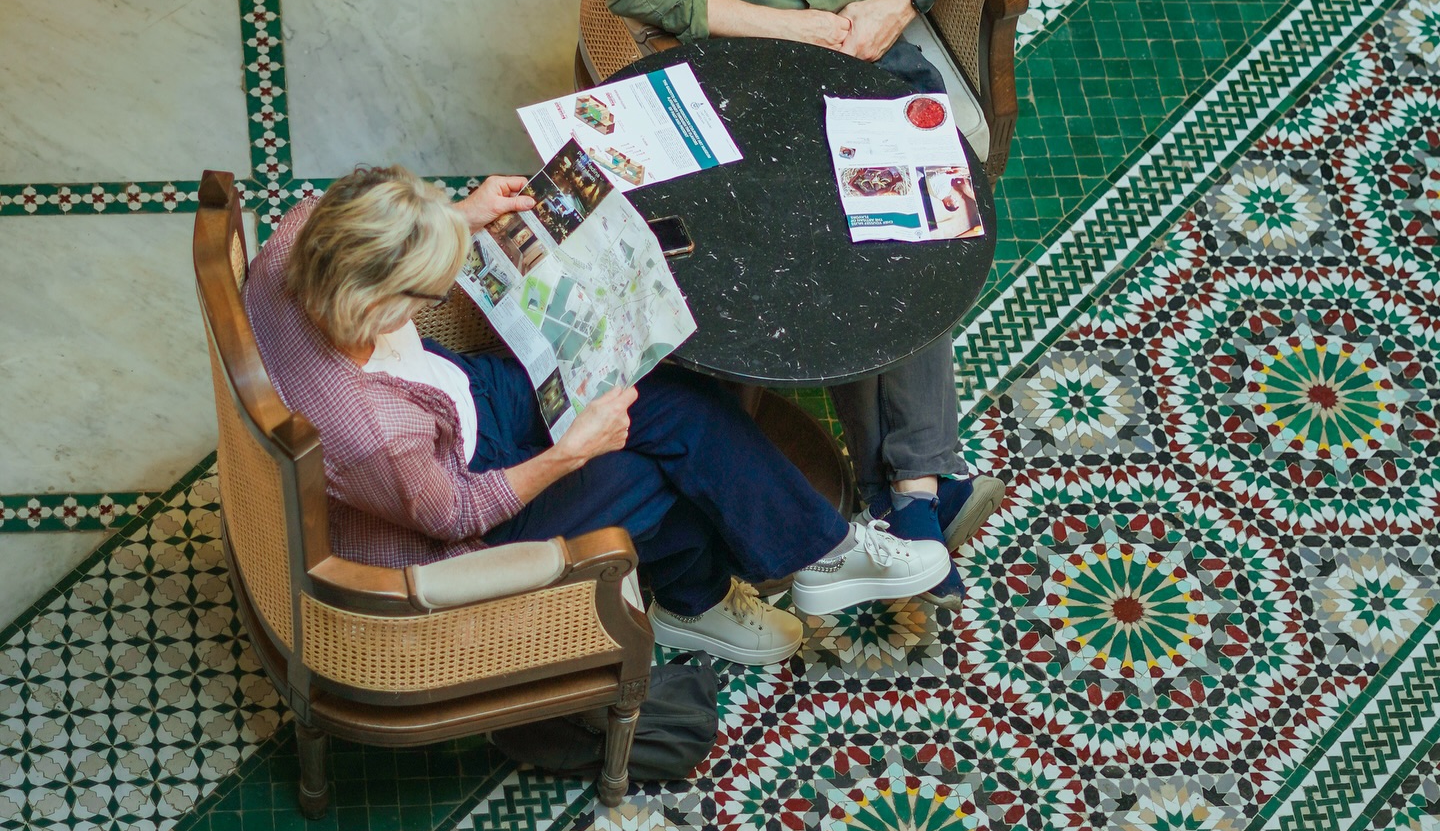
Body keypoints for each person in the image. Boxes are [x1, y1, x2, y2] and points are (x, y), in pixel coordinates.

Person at [590, 0, 1006, 598]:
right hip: (738, 71)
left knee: (909, 214)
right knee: (826, 230)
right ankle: (915, 487)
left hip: (870, 42)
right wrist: (792, 29)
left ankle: (905, 479)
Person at [245, 164, 952, 667]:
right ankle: (704, 599)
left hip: (462, 397)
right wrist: (570, 453)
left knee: (665, 398)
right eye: (428, 287)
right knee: (651, 474)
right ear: (374, 306)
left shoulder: (299, 238)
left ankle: (812, 555)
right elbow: (454, 516)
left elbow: (362, 234)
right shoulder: (378, 435)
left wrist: (457, 216)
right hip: (468, 500)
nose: (440, 290)